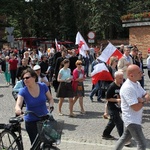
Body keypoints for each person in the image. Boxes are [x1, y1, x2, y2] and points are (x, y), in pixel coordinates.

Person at [114, 64, 150, 150]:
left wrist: (141, 99)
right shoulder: (127, 88)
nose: (142, 73)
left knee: (124, 138)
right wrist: (144, 100)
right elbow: (136, 107)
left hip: (135, 118)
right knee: (142, 144)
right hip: (131, 120)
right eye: (139, 72)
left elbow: (147, 94)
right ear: (131, 75)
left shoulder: (136, 83)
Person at [15, 68, 54, 144]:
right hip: (31, 121)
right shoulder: (23, 91)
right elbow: (18, 104)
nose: (25, 80)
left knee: (48, 142)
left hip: (44, 118)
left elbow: (50, 99)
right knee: (36, 145)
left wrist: (51, 106)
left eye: (27, 77)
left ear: (34, 77)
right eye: (23, 78)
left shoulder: (43, 86)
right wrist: (18, 109)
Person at [102, 71, 123, 140]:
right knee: (119, 122)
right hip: (112, 107)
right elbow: (107, 98)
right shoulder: (112, 86)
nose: (121, 79)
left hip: (118, 107)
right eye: (120, 78)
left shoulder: (121, 85)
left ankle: (106, 134)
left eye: (122, 78)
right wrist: (117, 100)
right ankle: (123, 139)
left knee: (113, 121)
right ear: (115, 78)